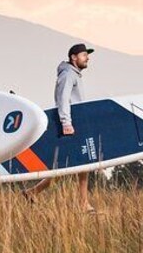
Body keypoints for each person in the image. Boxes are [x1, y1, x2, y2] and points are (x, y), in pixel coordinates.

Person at [22, 43, 96, 213]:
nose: (87, 58)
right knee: (78, 165)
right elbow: (62, 99)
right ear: (74, 57)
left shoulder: (74, 75)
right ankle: (83, 204)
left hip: (75, 124)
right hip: (69, 125)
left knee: (74, 165)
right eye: (84, 55)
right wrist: (66, 123)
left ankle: (32, 192)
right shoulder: (68, 75)